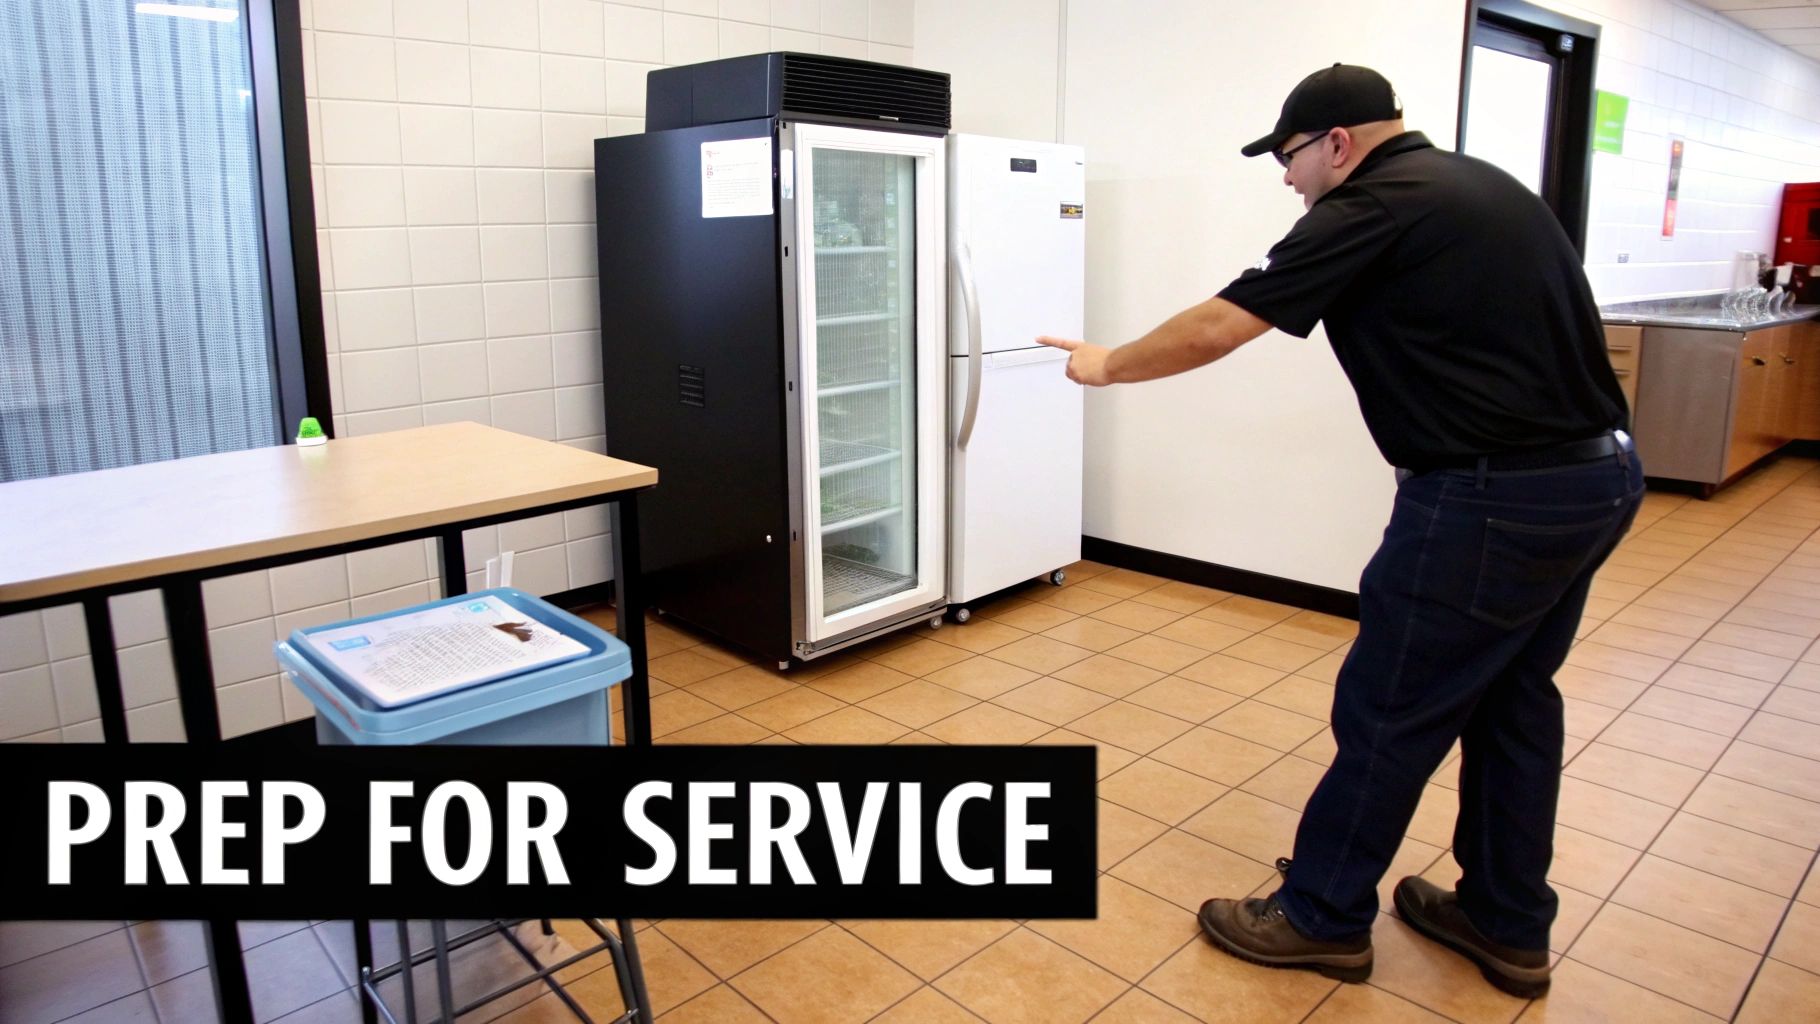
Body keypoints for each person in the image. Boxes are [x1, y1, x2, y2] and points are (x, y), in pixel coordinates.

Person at [1037, 64, 1642, 998]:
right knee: (1515, 704)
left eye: (1288, 159)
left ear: (1338, 145)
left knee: (1390, 710)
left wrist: (1105, 363)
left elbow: (1218, 327)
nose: (1287, 180)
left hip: (1491, 499)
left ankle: (1320, 917)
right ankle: (1506, 920)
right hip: (1594, 479)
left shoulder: (1373, 205)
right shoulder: (1480, 184)